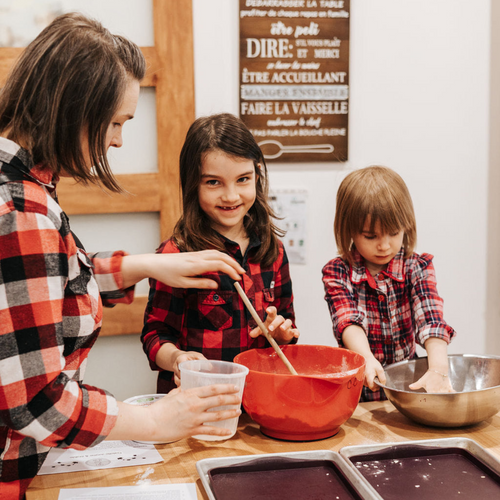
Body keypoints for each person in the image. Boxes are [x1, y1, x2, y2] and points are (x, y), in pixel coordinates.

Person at [0, 14, 246, 499]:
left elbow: (50, 278)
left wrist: (144, 265)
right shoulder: (19, 210)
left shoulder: (28, 188)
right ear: (71, 107)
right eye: (115, 122)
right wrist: (156, 418)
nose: (116, 140)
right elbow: (37, 401)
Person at [141, 113, 300, 393]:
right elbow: (155, 335)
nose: (230, 196)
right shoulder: (175, 254)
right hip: (196, 403)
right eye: (213, 182)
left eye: (242, 179)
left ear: (257, 177)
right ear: (193, 185)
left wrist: (282, 333)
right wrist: (177, 359)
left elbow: (288, 322)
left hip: (260, 400)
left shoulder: (271, 250)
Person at [322, 166, 456, 402]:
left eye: (393, 233)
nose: (384, 245)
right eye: (371, 236)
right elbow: (347, 322)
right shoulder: (338, 271)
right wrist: (367, 359)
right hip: (358, 391)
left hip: (409, 389)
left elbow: (430, 319)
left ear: (407, 225)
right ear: (349, 230)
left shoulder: (417, 267)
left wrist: (438, 369)